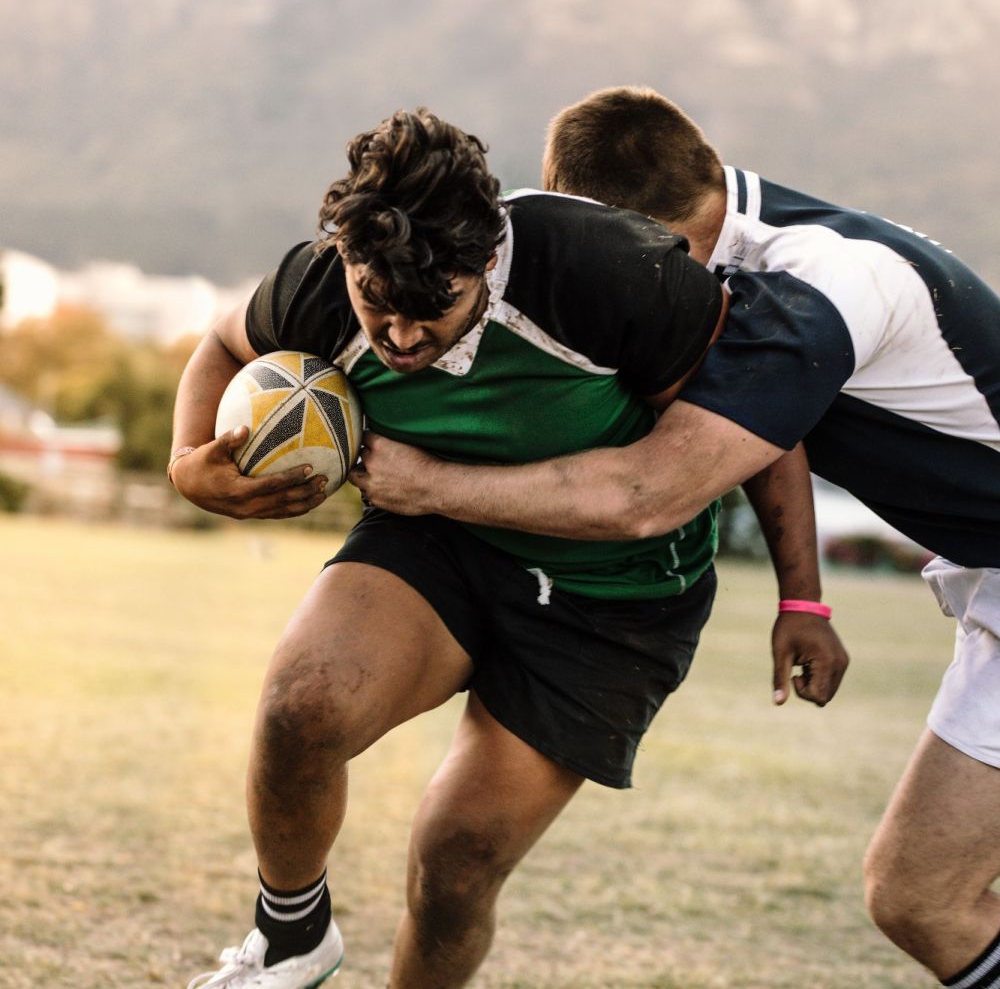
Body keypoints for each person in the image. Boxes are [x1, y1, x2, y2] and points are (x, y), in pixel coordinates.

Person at [170, 107, 848, 989]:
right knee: (300, 709)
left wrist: (803, 599)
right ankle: (292, 938)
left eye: (432, 311)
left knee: (454, 861)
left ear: (488, 257)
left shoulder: (608, 270)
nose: (402, 339)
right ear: (346, 258)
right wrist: (190, 468)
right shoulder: (323, 284)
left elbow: (763, 418)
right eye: (380, 307)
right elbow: (224, 344)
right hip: (440, 542)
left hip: (615, 595)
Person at [355, 87, 1000, 988]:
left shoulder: (821, 283)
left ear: (621, 229)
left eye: (593, 254)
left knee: (925, 894)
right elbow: (784, 424)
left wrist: (426, 486)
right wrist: (804, 597)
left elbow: (647, 496)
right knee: (922, 894)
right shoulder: (751, 259)